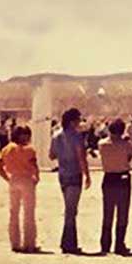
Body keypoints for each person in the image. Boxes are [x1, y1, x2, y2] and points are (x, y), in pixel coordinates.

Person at [49, 108, 91, 254]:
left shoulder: (56, 136)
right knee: (71, 211)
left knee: (69, 209)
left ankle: (68, 242)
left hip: (63, 174)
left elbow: (51, 155)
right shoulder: (77, 136)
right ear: (73, 121)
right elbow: (81, 157)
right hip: (74, 174)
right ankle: (68, 243)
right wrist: (87, 174)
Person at [0, 125, 40, 253]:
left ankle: (15, 243)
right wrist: (36, 178)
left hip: (13, 179)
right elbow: (34, 166)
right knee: (29, 213)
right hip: (26, 179)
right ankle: (29, 244)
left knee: (14, 212)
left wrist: (8, 179)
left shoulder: (6, 149)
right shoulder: (29, 150)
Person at [98, 118, 132, 255]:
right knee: (122, 213)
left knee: (107, 212)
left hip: (108, 177)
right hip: (123, 177)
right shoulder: (126, 144)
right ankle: (119, 243)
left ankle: (105, 243)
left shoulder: (102, 144)